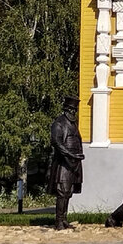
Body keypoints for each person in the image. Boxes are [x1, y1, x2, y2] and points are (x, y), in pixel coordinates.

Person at [48, 95, 85, 230]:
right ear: (67, 109)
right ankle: (58, 221)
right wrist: (70, 154)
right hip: (63, 164)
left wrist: (77, 156)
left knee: (68, 193)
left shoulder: (73, 124)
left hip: (74, 163)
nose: (74, 112)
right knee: (62, 192)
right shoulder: (59, 123)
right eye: (72, 109)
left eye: (75, 110)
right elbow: (57, 143)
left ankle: (64, 219)